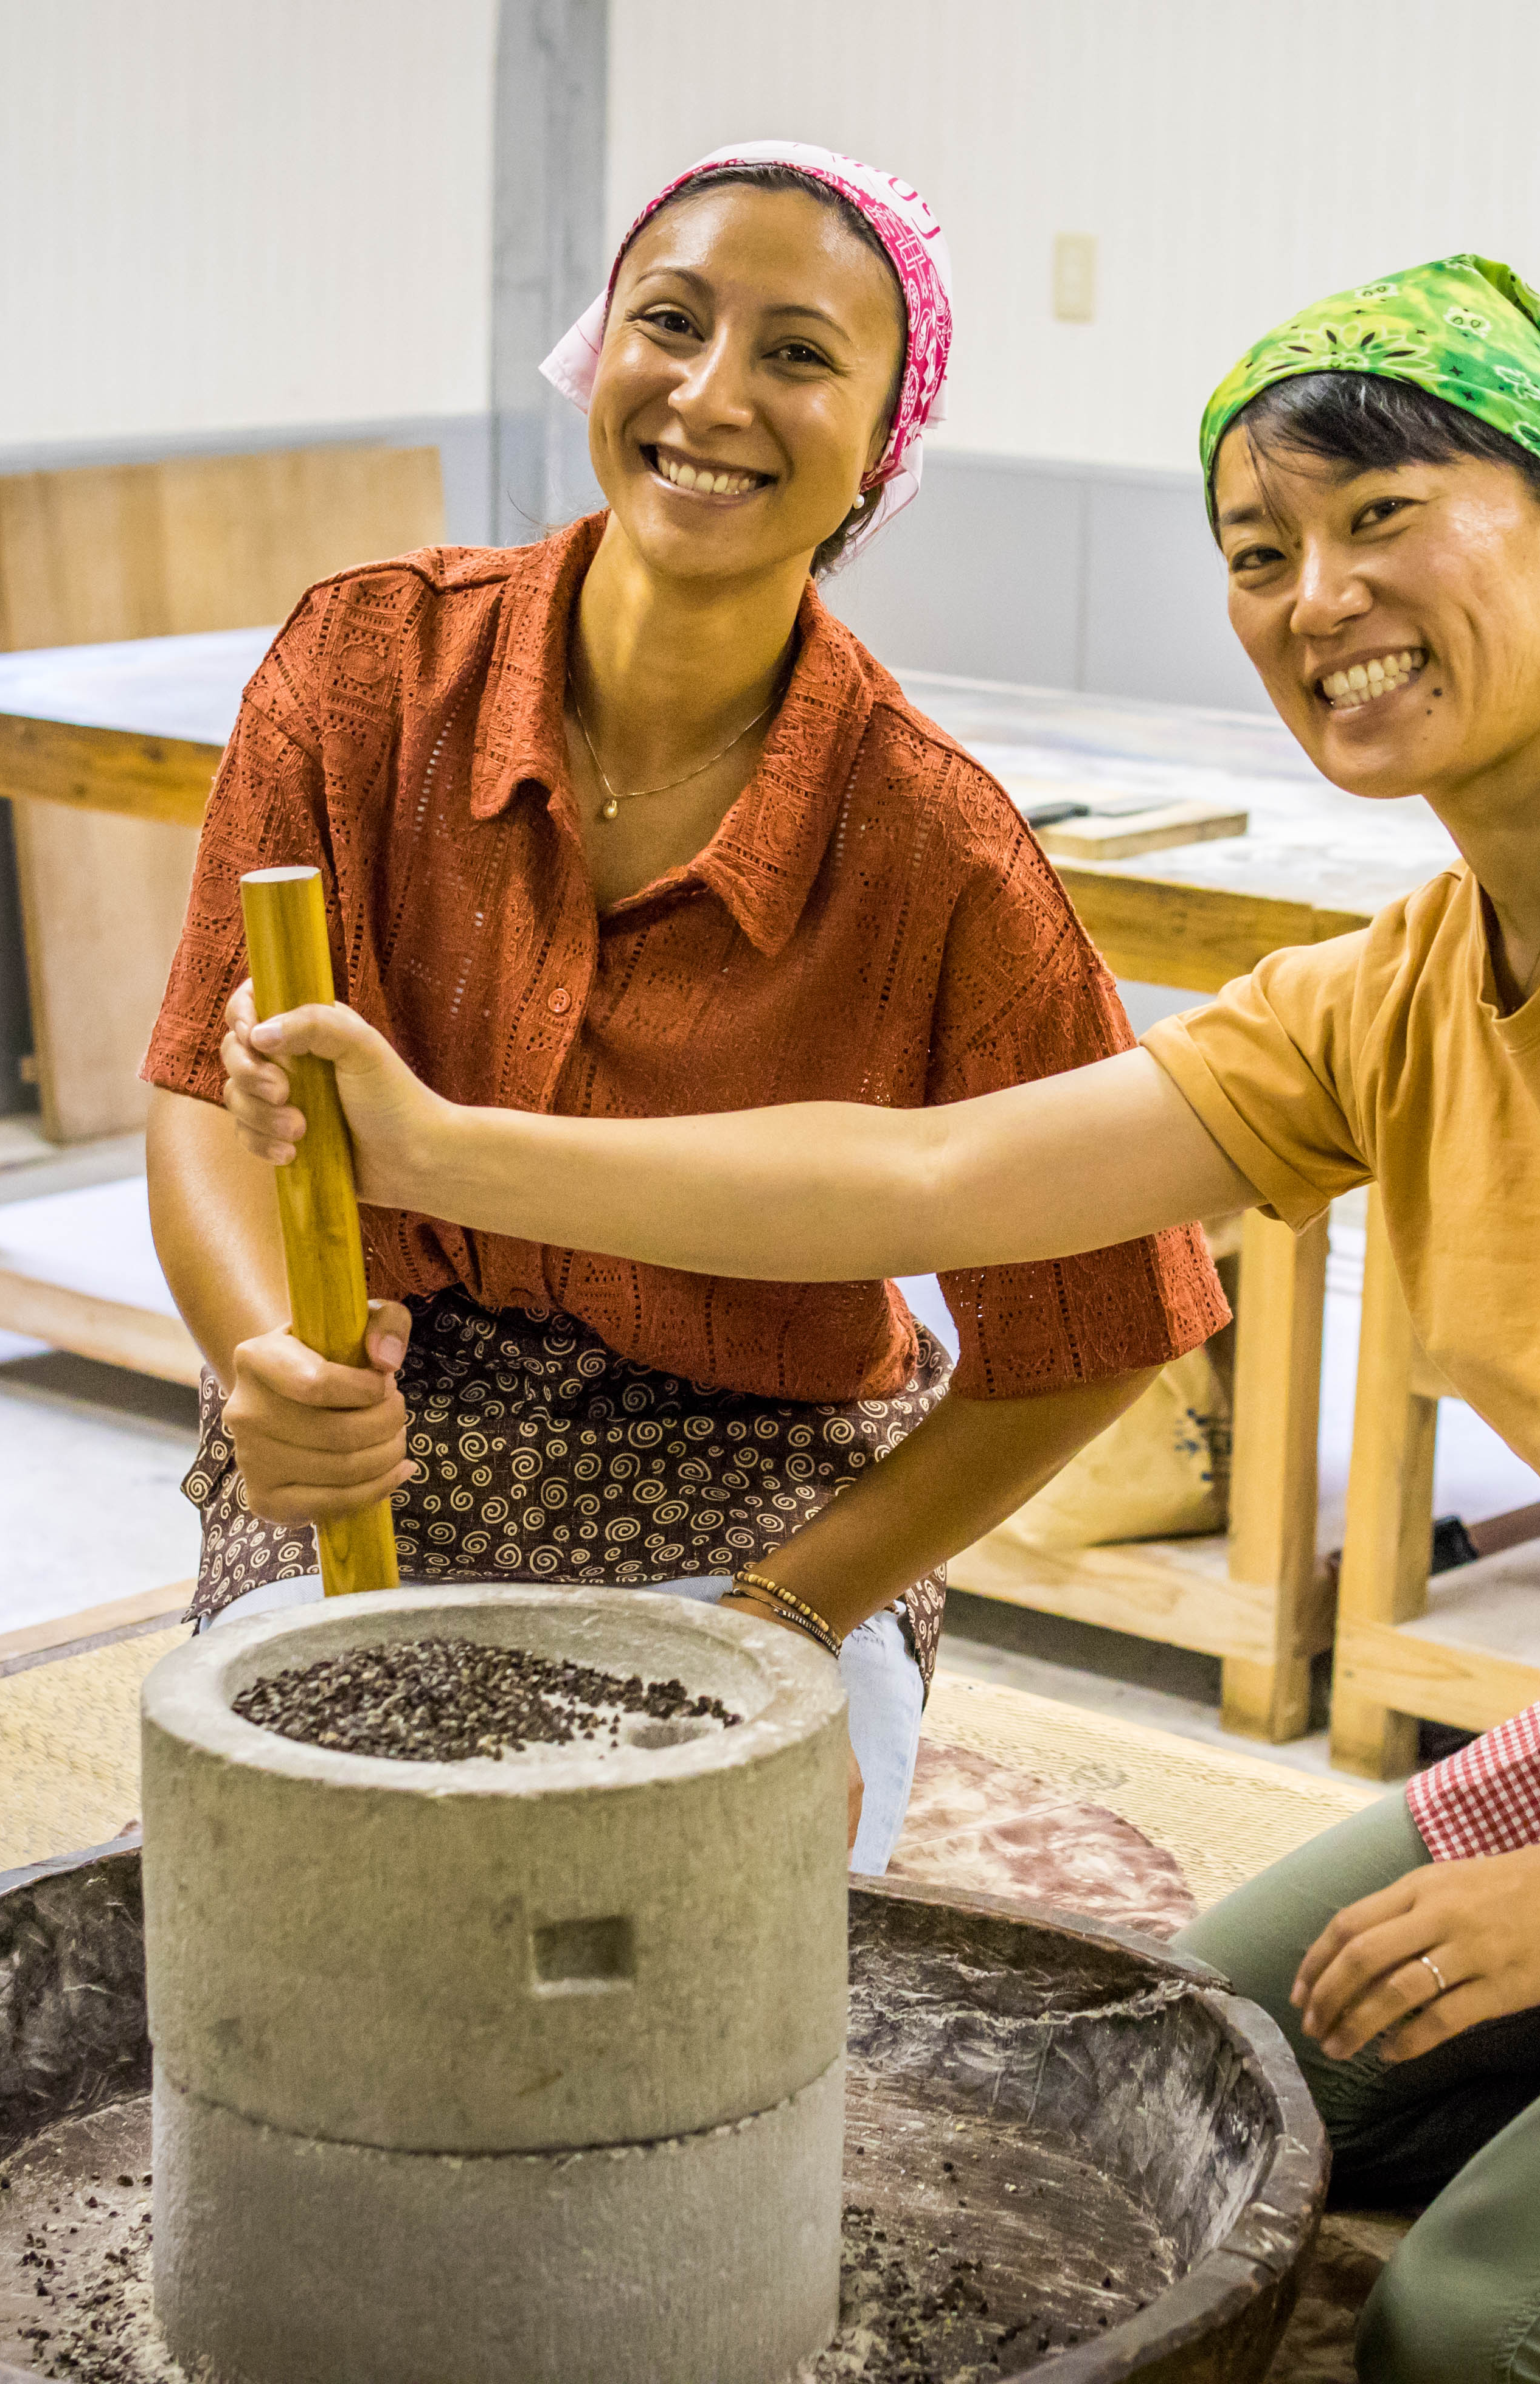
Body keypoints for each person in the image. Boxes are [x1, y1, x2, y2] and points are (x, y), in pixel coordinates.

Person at [212, 251, 1540, 2381]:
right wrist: (437, 1151)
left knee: (1494, 2334)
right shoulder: (1405, 982)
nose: (1316, 595)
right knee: (1169, 2074)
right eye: (1262, 552)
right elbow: (931, 1173)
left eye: (1382, 517)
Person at [142, 142, 1226, 1877]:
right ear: (599, 349)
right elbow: (209, 1077)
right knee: (321, 1899)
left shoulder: (933, 845)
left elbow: (1107, 1323)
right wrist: (266, 1347)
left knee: (701, 1940)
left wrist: (795, 1608)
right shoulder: (365, 669)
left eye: (800, 355)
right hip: (392, 1426)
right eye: (672, 321)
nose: (713, 397)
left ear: (887, 445)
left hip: (763, 1471)